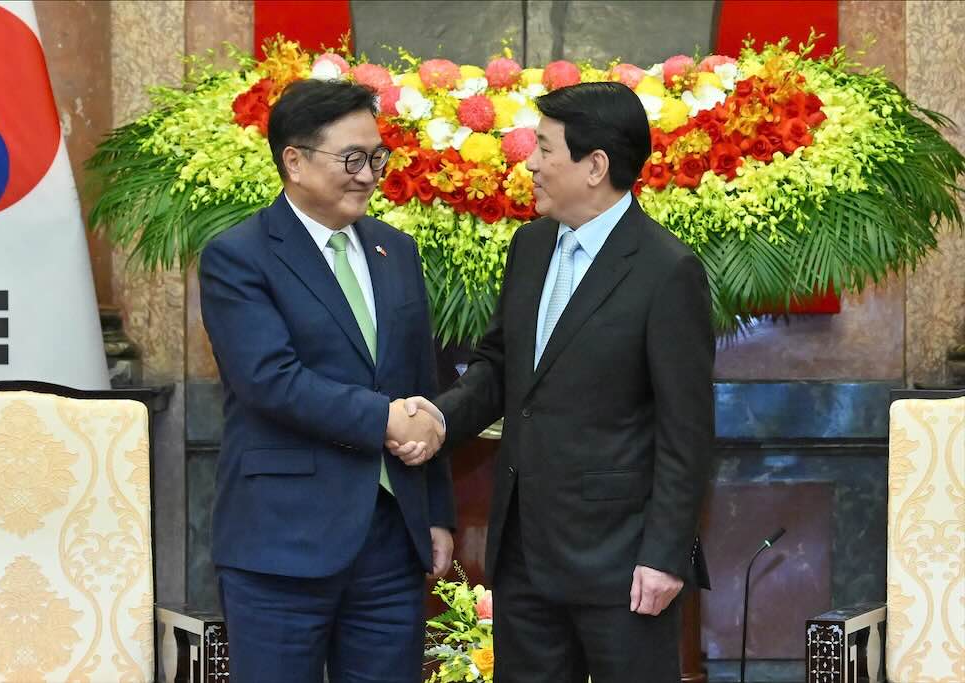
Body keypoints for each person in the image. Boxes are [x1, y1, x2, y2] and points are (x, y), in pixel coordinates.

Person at [391, 82, 715, 682]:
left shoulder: (667, 271)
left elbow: (686, 430)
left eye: (544, 149)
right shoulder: (531, 246)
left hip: (622, 563)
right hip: (524, 554)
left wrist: (665, 556)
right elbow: (498, 367)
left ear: (595, 166)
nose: (530, 163)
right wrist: (439, 419)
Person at [199, 78, 454, 683]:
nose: (368, 174)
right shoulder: (240, 255)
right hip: (281, 544)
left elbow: (422, 383)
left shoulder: (397, 250)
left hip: (390, 540)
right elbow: (270, 379)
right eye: (352, 159)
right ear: (294, 160)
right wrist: (383, 419)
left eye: (376, 158)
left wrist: (436, 510)